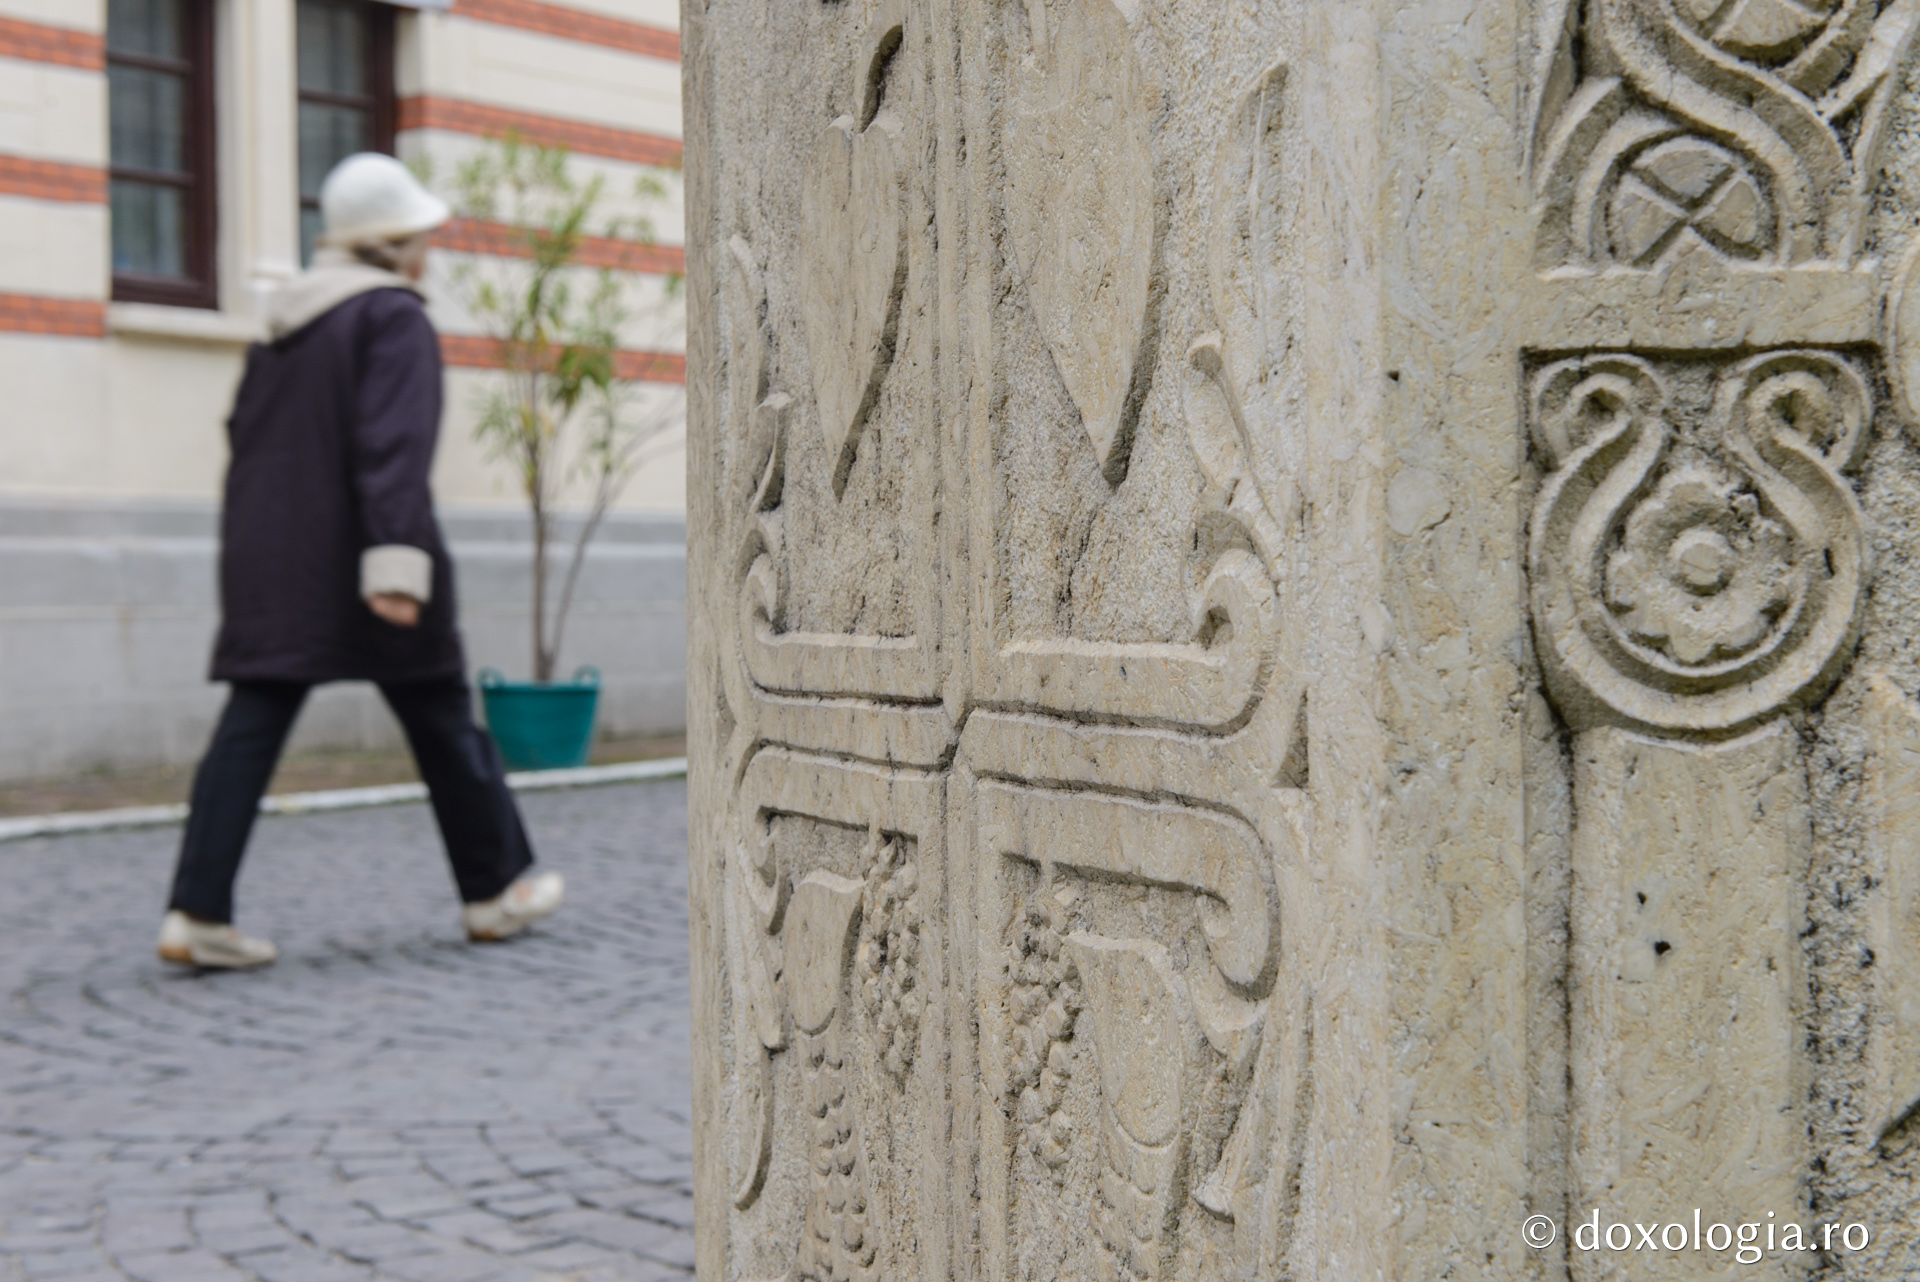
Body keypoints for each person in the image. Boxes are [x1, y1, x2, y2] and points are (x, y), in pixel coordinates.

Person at [157, 153, 563, 970]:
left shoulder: (283, 326)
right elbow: (393, 451)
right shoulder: (392, 318)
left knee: (252, 724)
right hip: (373, 560)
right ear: (393, 241)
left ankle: (194, 913)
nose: (429, 251)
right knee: (444, 717)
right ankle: (495, 891)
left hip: (275, 560)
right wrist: (396, 568)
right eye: (420, 235)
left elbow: (246, 444)